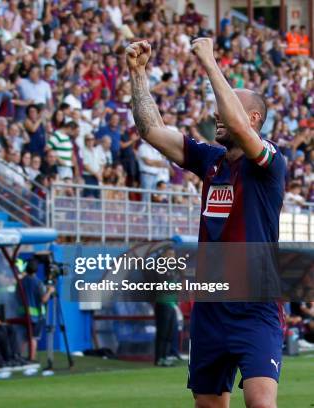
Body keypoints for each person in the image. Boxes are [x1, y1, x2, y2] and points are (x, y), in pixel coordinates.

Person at [126, 39, 285, 408]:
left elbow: (240, 129)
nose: (217, 116)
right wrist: (138, 75)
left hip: (255, 303)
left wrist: (211, 63)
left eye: (227, 110)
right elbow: (152, 131)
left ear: (253, 120)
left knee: (261, 402)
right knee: (209, 404)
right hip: (212, 304)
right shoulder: (209, 161)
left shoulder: (270, 163)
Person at [19, 258, 54, 360]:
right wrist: (50, 291)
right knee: (33, 338)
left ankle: (19, 358)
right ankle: (31, 359)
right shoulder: (37, 283)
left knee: (24, 338)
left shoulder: (21, 282)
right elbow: (43, 299)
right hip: (36, 316)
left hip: (22, 314)